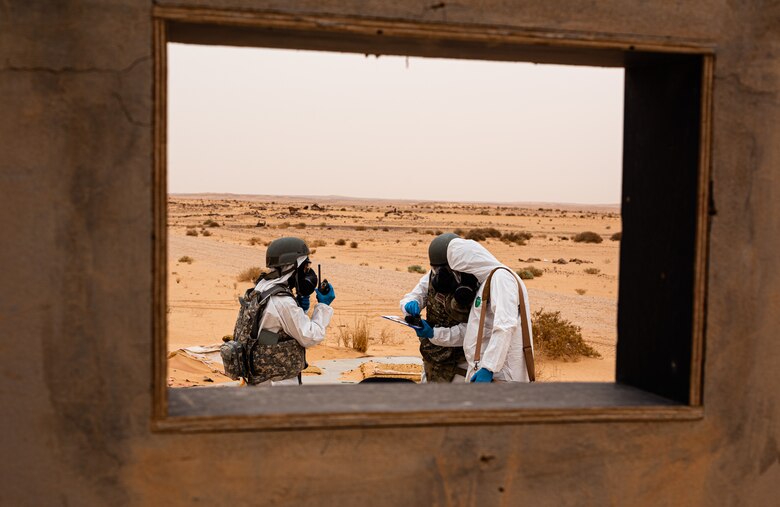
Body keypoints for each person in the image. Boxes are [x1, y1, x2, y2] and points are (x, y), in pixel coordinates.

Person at [411, 236, 534, 383]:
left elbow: (505, 325)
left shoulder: (501, 278)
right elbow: (475, 332)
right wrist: (434, 334)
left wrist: (489, 368)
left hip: (502, 376)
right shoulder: (487, 283)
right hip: (487, 373)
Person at [246, 236, 335, 386]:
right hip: (278, 384)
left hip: (260, 378)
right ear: (293, 267)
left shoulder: (262, 288)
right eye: (305, 267)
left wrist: (300, 309)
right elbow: (310, 337)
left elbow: (275, 330)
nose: (307, 272)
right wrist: (323, 307)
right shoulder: (282, 301)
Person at [400, 233, 478, 383]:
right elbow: (413, 295)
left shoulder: (475, 286)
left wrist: (434, 333)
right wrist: (410, 304)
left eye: (444, 269)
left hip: (460, 365)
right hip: (431, 359)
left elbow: (473, 331)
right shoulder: (431, 277)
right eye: (436, 269)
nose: (440, 275)